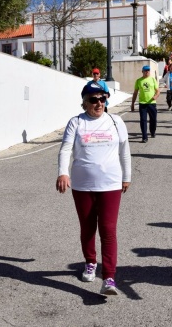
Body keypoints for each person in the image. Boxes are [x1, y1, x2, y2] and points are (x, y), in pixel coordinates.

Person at [56, 81, 131, 296]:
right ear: (84, 103)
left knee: (108, 230)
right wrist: (63, 172)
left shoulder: (116, 121)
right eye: (93, 99)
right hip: (82, 185)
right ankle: (90, 262)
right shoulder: (76, 122)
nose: (98, 103)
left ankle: (108, 278)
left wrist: (127, 176)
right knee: (88, 228)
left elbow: (124, 150)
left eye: (102, 99)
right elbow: (65, 149)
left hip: (111, 184)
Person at [131, 65, 160, 143]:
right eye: (145, 70)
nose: (147, 72)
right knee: (143, 120)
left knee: (153, 120)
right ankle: (144, 137)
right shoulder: (138, 81)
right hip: (142, 104)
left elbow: (158, 91)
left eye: (148, 70)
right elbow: (135, 93)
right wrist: (132, 103)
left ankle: (152, 131)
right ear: (142, 71)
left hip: (152, 103)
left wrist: (156, 96)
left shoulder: (153, 79)